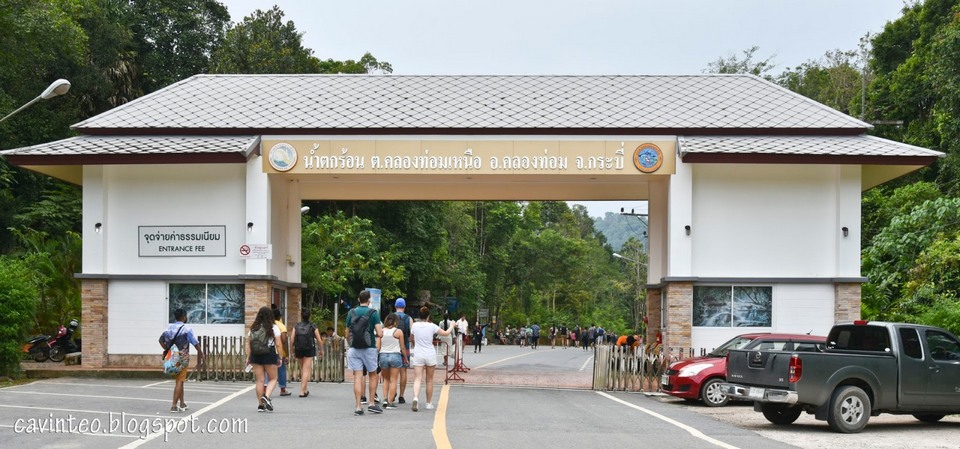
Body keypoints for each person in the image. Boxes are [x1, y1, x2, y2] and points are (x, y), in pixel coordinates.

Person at [345, 290, 383, 416]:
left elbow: (347, 333)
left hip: (354, 348)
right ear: (369, 300)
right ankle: (372, 403)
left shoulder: (351, 312)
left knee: (357, 377)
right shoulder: (373, 313)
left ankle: (358, 407)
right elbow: (380, 332)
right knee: (373, 375)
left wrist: (351, 342)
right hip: (369, 348)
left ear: (358, 299)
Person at [160, 308, 204, 413]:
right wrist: (201, 354)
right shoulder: (187, 329)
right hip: (182, 358)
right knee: (180, 381)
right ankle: (174, 406)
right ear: (184, 317)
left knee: (180, 380)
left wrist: (167, 349)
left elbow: (161, 340)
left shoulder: (169, 328)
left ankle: (182, 403)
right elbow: (195, 342)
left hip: (172, 357)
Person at [409, 306, 453, 412]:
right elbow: (446, 333)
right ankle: (428, 403)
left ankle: (415, 398)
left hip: (418, 353)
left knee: (417, 378)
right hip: (430, 354)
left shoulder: (414, 325)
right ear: (428, 316)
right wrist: (451, 326)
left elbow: (411, 338)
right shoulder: (432, 326)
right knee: (429, 380)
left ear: (419, 316)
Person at [246, 306, 283, 412]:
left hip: (255, 355)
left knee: (260, 380)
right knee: (273, 379)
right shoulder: (273, 327)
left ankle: (260, 405)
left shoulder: (253, 327)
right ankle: (266, 397)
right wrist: (280, 357)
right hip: (269, 354)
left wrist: (248, 357)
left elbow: (249, 344)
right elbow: (279, 344)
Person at [289, 308, 324, 397]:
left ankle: (305, 389)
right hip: (309, 349)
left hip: (298, 349)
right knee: (306, 370)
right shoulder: (313, 326)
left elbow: (292, 339)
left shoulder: (296, 326)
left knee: (302, 369)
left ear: (301, 316)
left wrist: (292, 351)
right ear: (309, 316)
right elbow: (319, 340)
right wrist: (321, 350)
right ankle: (302, 391)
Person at [378, 313, 406, 410]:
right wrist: (405, 358)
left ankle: (385, 399)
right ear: (395, 322)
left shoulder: (381, 331)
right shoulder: (398, 332)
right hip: (395, 355)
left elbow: (378, 346)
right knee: (394, 380)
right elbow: (402, 347)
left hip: (383, 356)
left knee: (386, 379)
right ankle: (390, 402)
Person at [394, 298, 413, 405]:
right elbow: (412, 334)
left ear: (395, 306)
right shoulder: (408, 318)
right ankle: (401, 396)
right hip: (405, 347)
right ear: (404, 307)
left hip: (393, 348)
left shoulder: (391, 317)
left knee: (392, 372)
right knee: (403, 371)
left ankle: (392, 391)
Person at [272, 306, 291, 396]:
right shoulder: (281, 326)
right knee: (281, 370)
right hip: (279, 352)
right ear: (279, 316)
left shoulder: (269, 325)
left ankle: (265, 388)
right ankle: (282, 389)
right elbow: (283, 341)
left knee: (268, 370)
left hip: (269, 351)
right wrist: (286, 354)